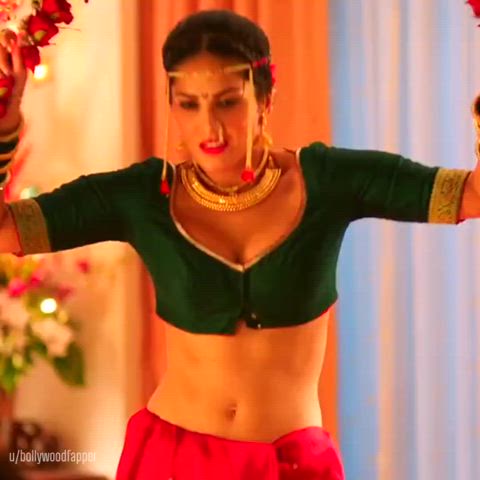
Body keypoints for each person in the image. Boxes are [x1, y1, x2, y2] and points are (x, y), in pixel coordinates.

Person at [0, 8, 478, 480]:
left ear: (265, 97)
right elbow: (7, 232)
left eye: (227, 102)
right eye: (189, 104)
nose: (209, 126)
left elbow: (470, 196)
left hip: (290, 466)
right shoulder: (142, 196)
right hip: (174, 463)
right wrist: (4, 128)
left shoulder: (330, 182)